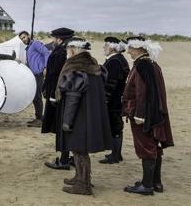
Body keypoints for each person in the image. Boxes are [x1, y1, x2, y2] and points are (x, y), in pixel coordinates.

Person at [56, 37, 112, 195]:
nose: (67, 52)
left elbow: (73, 97)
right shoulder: (92, 65)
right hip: (89, 113)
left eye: (68, 49)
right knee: (79, 149)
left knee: (79, 149)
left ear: (73, 50)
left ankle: (83, 184)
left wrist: (67, 121)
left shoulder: (77, 68)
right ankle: (79, 177)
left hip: (79, 115)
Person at [122, 36, 174, 195]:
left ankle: (146, 185)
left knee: (146, 147)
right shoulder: (150, 64)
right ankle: (155, 182)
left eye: (131, 48)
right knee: (154, 146)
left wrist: (140, 115)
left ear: (139, 48)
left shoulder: (143, 65)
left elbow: (143, 93)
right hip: (154, 113)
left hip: (144, 115)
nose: (128, 51)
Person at [42, 27, 75, 170]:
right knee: (64, 126)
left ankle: (64, 160)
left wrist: (51, 94)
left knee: (62, 126)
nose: (53, 41)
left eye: (54, 38)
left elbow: (56, 75)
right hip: (61, 94)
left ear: (60, 39)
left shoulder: (61, 53)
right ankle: (67, 157)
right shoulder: (63, 51)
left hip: (59, 95)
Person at [99, 37, 130, 164]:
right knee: (115, 126)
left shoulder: (115, 61)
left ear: (112, 47)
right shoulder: (117, 59)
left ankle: (116, 155)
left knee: (115, 127)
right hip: (115, 99)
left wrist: (104, 99)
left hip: (114, 101)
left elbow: (111, 83)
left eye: (105, 45)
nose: (104, 47)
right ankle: (115, 153)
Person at [19, 31, 51, 127]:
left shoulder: (36, 44)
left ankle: (39, 120)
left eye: (24, 37)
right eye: (21, 39)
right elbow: (31, 62)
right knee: (35, 96)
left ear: (28, 36)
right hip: (33, 75)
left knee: (37, 96)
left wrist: (45, 67)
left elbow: (47, 53)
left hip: (39, 74)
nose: (23, 40)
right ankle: (38, 117)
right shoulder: (28, 48)